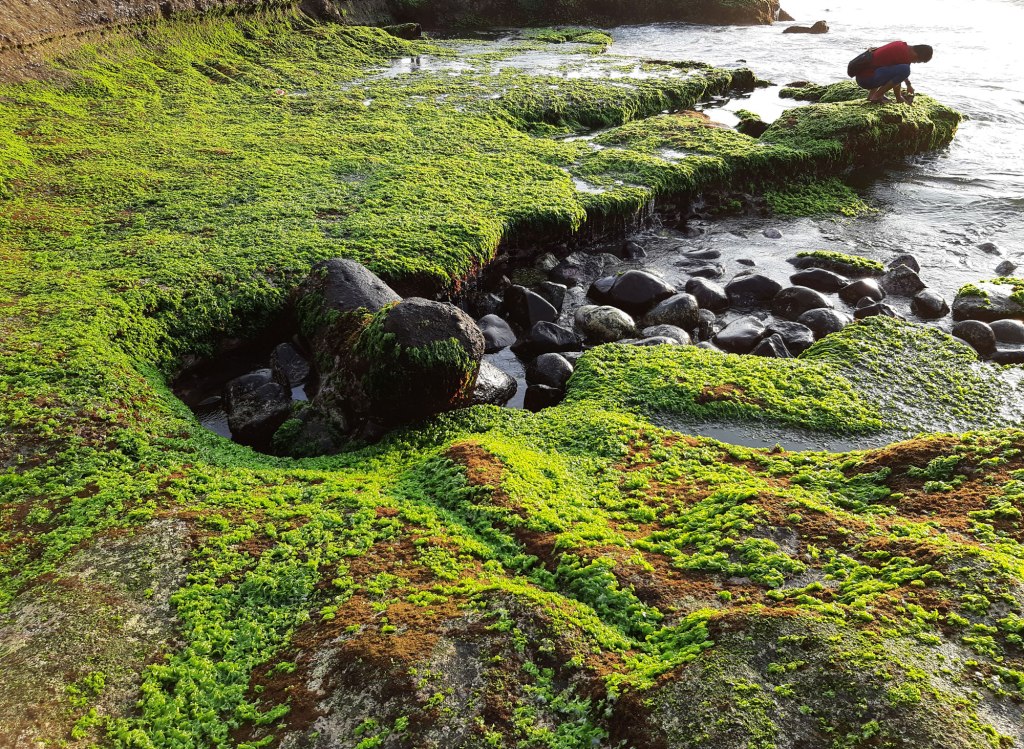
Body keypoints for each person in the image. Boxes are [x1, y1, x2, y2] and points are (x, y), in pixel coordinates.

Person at [855, 41, 933, 103]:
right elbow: (902, 74)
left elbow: (897, 75)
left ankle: (871, 95)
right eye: (918, 61)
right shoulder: (904, 55)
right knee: (905, 70)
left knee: (900, 70)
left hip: (863, 76)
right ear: (916, 55)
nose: (915, 62)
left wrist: (908, 85)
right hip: (866, 79)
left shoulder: (902, 46)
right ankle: (877, 96)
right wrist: (899, 97)